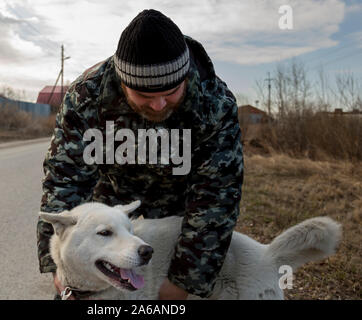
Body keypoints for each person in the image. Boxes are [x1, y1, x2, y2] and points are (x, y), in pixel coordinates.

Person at [37, 9, 243, 300]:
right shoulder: (87, 97)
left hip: (179, 214)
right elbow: (64, 184)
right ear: (123, 84)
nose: (159, 105)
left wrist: (185, 281)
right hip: (111, 210)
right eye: (145, 96)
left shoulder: (215, 104)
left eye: (172, 92)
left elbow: (217, 198)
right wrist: (59, 268)